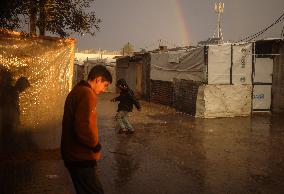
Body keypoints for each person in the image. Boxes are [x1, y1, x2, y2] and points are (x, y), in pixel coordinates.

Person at [61, 65, 112, 194]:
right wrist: (95, 145)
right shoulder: (87, 94)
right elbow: (83, 126)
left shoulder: (77, 90)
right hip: (80, 156)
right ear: (98, 79)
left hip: (73, 154)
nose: (105, 90)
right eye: (105, 85)